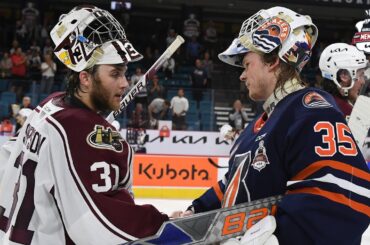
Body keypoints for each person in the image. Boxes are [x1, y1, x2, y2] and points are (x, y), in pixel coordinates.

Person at [175, 6, 370, 244]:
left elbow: (345, 200)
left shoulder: (310, 110)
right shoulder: (260, 124)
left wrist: (279, 238)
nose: (242, 76)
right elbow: (234, 183)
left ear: (273, 61)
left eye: (247, 64)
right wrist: (195, 212)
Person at [0, 5, 172, 245]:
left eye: (125, 73)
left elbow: (8, 159)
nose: (124, 83)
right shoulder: (81, 129)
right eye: (115, 74)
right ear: (85, 77)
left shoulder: (50, 105)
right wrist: (160, 224)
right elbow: (99, 220)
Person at [319, 43, 367, 120]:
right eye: (360, 75)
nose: (363, 82)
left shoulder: (318, 100)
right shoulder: (346, 112)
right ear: (344, 75)